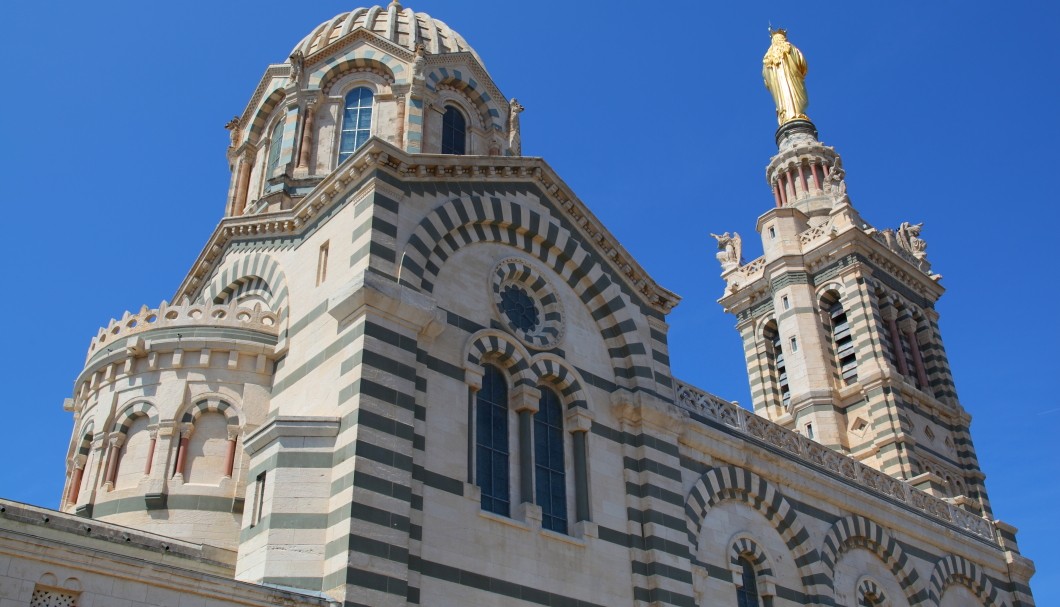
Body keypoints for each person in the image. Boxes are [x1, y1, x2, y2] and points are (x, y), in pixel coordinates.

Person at [762, 29, 809, 125]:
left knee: (783, 101)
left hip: (778, 91)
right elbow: (802, 64)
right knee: (794, 101)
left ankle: (787, 116)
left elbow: (766, 81)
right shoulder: (790, 48)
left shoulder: (767, 58)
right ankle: (796, 114)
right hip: (794, 81)